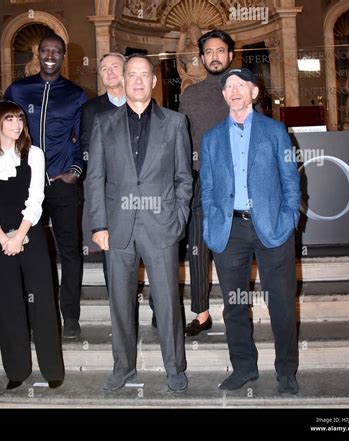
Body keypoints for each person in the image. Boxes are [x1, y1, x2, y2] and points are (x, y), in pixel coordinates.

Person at [85, 54, 192, 392]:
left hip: (161, 226)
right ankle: (123, 367)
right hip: (117, 227)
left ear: (154, 81)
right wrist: (98, 225)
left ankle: (175, 368)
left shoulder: (175, 122)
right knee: (119, 302)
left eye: (145, 75)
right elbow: (95, 178)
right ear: (121, 80)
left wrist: (179, 220)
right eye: (132, 75)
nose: (138, 81)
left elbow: (184, 178)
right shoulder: (103, 123)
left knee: (168, 302)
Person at [200, 68, 300, 394]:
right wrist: (212, 221)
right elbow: (208, 189)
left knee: (282, 302)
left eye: (240, 85)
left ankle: (286, 371)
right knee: (234, 303)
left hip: (271, 226)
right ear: (224, 95)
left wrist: (288, 220)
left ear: (254, 92)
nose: (234, 90)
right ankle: (244, 368)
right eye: (228, 86)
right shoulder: (211, 138)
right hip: (230, 230)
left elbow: (291, 182)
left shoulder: (275, 131)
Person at [0, 100, 65, 390]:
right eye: (9, 119)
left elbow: (35, 200)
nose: (16, 125)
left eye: (20, 119)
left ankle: (52, 369)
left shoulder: (34, 154)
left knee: (43, 304)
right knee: (8, 304)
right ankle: (17, 369)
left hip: (31, 235)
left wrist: (19, 236)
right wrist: (4, 239)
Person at [4, 34, 88, 339]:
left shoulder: (76, 94)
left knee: (70, 252)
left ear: (64, 56)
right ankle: (36, 312)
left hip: (61, 184)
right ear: (37, 54)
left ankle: (71, 317)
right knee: (28, 249)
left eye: (57, 51)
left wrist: (76, 171)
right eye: (45, 50)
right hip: (26, 186)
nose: (50, 54)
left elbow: (84, 139)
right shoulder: (18, 89)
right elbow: (3, 130)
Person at [176, 29, 235, 337]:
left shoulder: (243, 90)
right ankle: (201, 313)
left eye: (220, 50)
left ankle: (236, 310)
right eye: (209, 52)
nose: (214, 56)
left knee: (231, 248)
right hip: (200, 181)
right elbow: (182, 142)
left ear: (230, 55)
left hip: (235, 185)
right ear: (201, 58)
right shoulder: (190, 95)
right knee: (197, 248)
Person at [80, 52, 126, 291]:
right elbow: (87, 149)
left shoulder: (142, 101)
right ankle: (117, 313)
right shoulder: (91, 109)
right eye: (104, 69)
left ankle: (157, 312)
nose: (109, 72)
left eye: (115, 67)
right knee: (112, 253)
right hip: (109, 193)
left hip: (144, 193)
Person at [176, 23, 207, 94]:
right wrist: (183, 34)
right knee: (187, 87)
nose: (194, 36)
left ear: (200, 34)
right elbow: (179, 52)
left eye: (196, 33)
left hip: (205, 77)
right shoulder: (187, 50)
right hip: (190, 78)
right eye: (192, 34)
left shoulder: (206, 49)